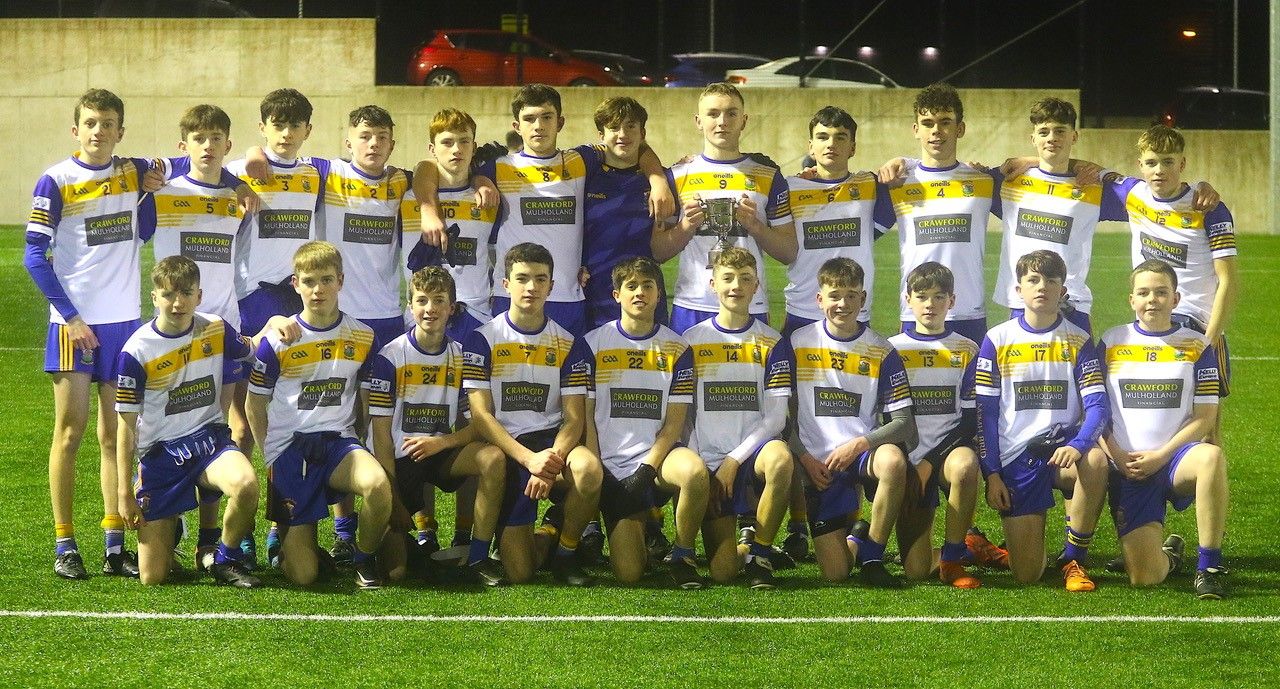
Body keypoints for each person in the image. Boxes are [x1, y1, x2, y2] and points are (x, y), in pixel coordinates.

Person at [24, 88, 160, 579]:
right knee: (69, 432)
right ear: (75, 130)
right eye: (91, 123)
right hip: (73, 326)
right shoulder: (55, 180)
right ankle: (65, 543)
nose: (99, 131)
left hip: (124, 325)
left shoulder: (133, 170)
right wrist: (72, 316)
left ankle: (113, 542)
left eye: (109, 123)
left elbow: (188, 165)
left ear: (120, 131)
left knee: (117, 437)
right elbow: (34, 256)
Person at [423, 84, 671, 338]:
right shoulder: (498, 167)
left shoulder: (581, 159)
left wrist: (658, 178)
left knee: (565, 374)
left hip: (568, 296)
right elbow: (427, 167)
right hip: (511, 296)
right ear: (516, 126)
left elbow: (636, 146)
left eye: (546, 117)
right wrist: (476, 182)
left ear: (560, 122)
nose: (538, 126)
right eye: (529, 119)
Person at [115, 256, 293, 587]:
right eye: (168, 294)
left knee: (246, 484)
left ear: (199, 295)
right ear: (154, 297)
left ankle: (224, 557)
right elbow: (125, 427)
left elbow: (252, 348)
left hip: (209, 443)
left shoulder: (215, 327)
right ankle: (172, 524)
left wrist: (275, 321)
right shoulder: (136, 351)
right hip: (162, 455)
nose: (177, 302)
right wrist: (123, 491)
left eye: (186, 293)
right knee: (153, 577)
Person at [246, 241, 393, 589]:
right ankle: (288, 543)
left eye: (326, 280)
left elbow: (364, 396)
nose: (318, 289)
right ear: (295, 284)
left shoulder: (362, 336)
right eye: (309, 281)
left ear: (341, 281)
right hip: (290, 450)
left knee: (378, 486)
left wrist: (357, 436)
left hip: (338, 445)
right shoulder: (278, 341)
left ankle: (363, 558)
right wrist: (272, 454)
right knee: (304, 575)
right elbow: (254, 404)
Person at [461, 243, 601, 586]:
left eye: (540, 279)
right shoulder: (481, 339)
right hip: (508, 447)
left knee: (589, 470)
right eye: (522, 278)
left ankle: (567, 552)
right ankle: (549, 530)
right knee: (521, 573)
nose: (531, 287)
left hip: (550, 444)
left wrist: (550, 460)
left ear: (552, 286)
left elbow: (574, 419)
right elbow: (481, 416)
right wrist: (528, 460)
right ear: (505, 283)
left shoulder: (569, 343)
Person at [975, 250, 1109, 591]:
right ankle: (997, 550)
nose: (1042, 287)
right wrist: (992, 474)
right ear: (1018, 289)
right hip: (1016, 457)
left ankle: (1073, 557)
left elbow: (1097, 406)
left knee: (1094, 459)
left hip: (1062, 453)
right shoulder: (996, 339)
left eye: (1051, 281)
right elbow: (986, 415)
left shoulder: (1078, 340)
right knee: (1027, 575)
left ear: (1063, 291)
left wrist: (1079, 444)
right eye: (1033, 280)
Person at [369, 267, 508, 586]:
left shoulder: (462, 357)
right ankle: (399, 542)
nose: (430, 308)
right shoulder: (389, 358)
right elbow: (380, 437)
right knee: (398, 573)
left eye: (438, 300)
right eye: (422, 300)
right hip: (400, 460)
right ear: (410, 306)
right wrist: (393, 498)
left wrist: (442, 443)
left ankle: (478, 555)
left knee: (493, 458)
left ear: (452, 307)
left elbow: (480, 424)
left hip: (441, 453)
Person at [400, 108, 500, 554]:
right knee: (415, 419)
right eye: (446, 143)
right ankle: (424, 529)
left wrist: (482, 180)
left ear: (474, 147)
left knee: (468, 420)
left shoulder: (490, 198)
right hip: (421, 324)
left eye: (463, 142)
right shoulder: (412, 190)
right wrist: (426, 202)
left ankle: (465, 533)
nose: (455, 150)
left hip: (474, 318)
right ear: (431, 149)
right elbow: (423, 174)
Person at [1099, 260, 1229, 599]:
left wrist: (1161, 455)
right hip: (1129, 464)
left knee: (1211, 457)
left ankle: (1210, 567)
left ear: (1176, 298)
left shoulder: (1198, 345)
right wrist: (1117, 455)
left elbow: (1204, 417)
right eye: (1143, 293)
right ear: (1131, 299)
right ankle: (1170, 557)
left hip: (1175, 459)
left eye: (1161, 292)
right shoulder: (1110, 342)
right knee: (1145, 577)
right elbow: (1093, 410)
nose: (1152, 300)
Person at [786, 258, 916, 587]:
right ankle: (856, 539)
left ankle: (873, 556)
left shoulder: (881, 350)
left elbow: (904, 424)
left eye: (851, 295)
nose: (842, 304)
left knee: (893, 461)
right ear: (820, 299)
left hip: (860, 457)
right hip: (816, 462)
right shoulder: (796, 344)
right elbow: (782, 417)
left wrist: (860, 443)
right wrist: (804, 458)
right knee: (837, 573)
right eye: (834, 295)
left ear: (863, 298)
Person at [582, 257, 709, 588]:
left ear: (658, 295)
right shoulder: (592, 344)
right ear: (616, 295)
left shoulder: (678, 348)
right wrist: (600, 471)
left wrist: (645, 471)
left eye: (648, 286)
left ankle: (682, 555)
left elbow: (674, 426)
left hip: (658, 461)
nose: (640, 293)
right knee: (629, 574)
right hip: (610, 468)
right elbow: (587, 418)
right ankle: (642, 526)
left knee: (694, 472)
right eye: (631, 286)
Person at [1112, 125, 1237, 445]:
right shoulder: (1132, 193)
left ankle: (1209, 489)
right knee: (1156, 416)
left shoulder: (1207, 207)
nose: (1159, 170)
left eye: (1168, 162)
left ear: (1182, 164)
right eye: (1151, 162)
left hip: (1196, 322)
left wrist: (1208, 341)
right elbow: (1086, 171)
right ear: (1140, 165)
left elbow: (1228, 280)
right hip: (1150, 316)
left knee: (1206, 425)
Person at [682, 247, 794, 589]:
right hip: (707, 458)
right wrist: (702, 465)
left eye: (745, 279)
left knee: (781, 459)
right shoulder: (690, 341)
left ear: (757, 285)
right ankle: (742, 542)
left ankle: (760, 554)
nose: (736, 286)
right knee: (723, 572)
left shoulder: (773, 342)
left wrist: (733, 460)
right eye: (727, 279)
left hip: (749, 457)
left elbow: (776, 420)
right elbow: (682, 416)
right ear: (712, 284)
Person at [655, 82, 798, 334]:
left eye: (731, 113)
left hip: (748, 304)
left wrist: (756, 227)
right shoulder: (676, 176)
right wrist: (686, 227)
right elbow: (657, 252)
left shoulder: (768, 176)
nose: (722, 121)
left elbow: (788, 252)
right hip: (692, 304)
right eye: (713, 114)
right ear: (698, 121)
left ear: (743, 120)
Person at [873, 83, 996, 346]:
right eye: (927, 123)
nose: (936, 131)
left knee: (972, 388)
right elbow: (859, 232)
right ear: (916, 130)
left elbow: (1040, 171)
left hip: (968, 313)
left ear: (960, 129)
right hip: (915, 312)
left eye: (945, 122)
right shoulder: (898, 183)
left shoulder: (984, 181)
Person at [887, 262, 985, 588]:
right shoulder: (892, 349)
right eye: (922, 296)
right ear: (908, 300)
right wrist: (908, 462)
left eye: (939, 297)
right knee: (915, 571)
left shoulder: (967, 349)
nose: (930, 304)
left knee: (967, 465)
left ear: (952, 301)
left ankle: (953, 559)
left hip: (946, 454)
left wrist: (930, 461)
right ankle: (864, 536)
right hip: (906, 457)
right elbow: (887, 417)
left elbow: (970, 420)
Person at [582, 97, 671, 330]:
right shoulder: (585, 174)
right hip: (595, 291)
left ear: (642, 133)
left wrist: (659, 179)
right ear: (601, 135)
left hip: (646, 294)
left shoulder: (664, 181)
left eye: (631, 126)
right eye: (613, 127)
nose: (623, 134)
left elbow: (665, 245)